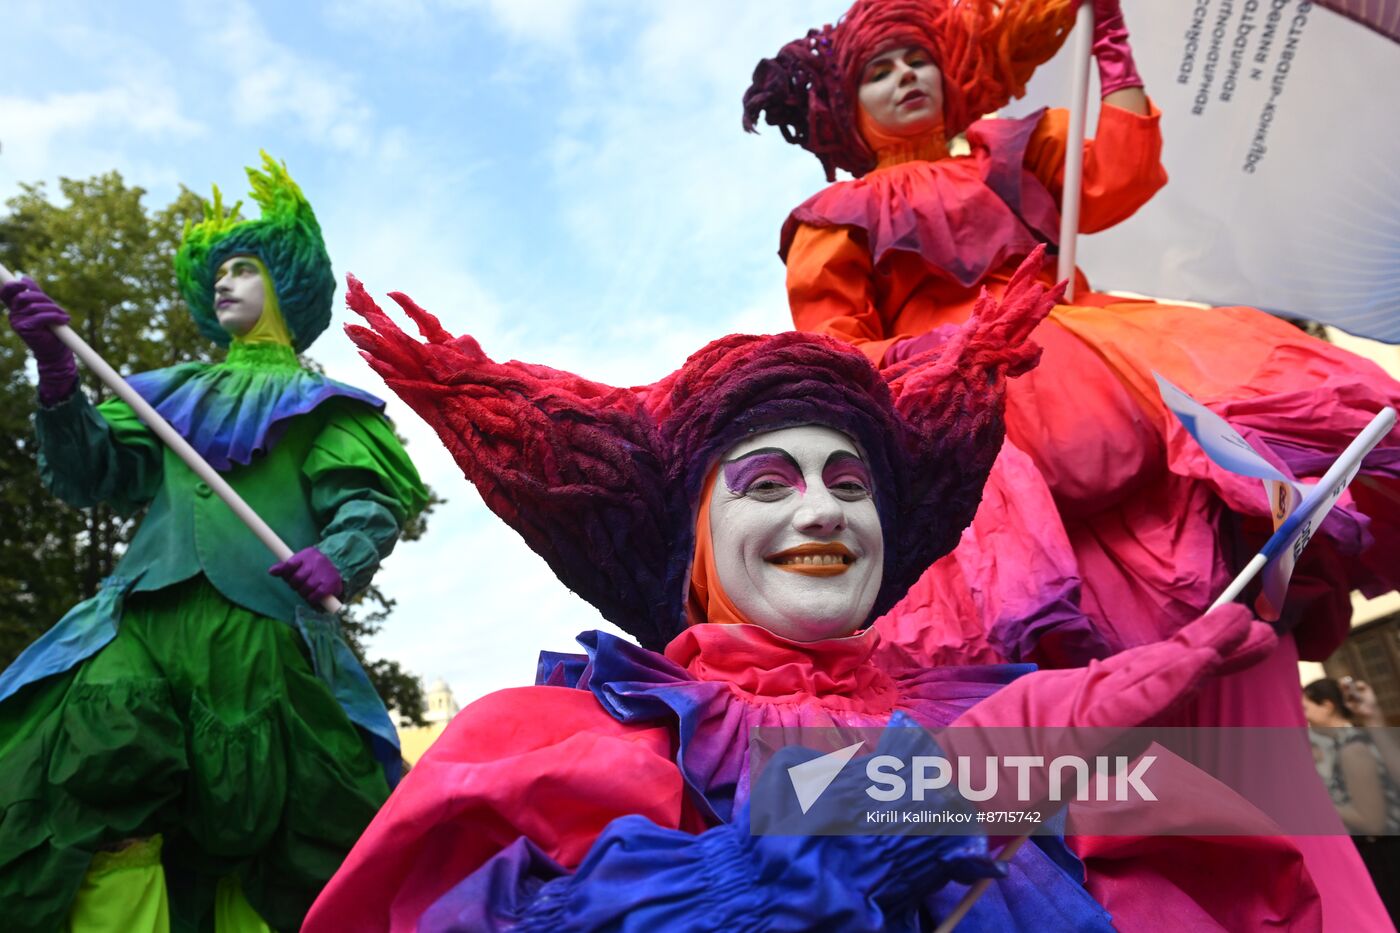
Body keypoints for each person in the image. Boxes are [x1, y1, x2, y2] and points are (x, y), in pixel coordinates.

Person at [301, 253, 1320, 931]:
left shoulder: (976, 712)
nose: (825, 512)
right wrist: (752, 879)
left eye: (849, 484)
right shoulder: (552, 745)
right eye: (766, 485)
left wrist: (1142, 701)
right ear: (693, 546)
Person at [744, 4, 1398, 922]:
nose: (905, 78)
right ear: (846, 113)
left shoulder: (1015, 148)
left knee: (1219, 638)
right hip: (972, 445)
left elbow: (1118, 170)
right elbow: (840, 353)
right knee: (1051, 697)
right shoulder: (833, 217)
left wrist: (1115, 48)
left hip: (1119, 380)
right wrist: (941, 391)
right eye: (878, 71)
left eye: (917, 58)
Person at [0, 154, 428, 932]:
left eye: (244, 268)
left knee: (265, 823)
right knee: (100, 771)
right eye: (218, 272)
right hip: (138, 621)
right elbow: (89, 468)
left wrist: (340, 554)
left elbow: (367, 501)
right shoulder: (163, 392)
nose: (225, 282)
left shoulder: (326, 405)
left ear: (284, 284)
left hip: (260, 635)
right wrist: (58, 373)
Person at [1303, 678, 1400, 923]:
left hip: (1382, 859)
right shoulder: (1345, 744)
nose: (1303, 719)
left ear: (1326, 706)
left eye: (1305, 709)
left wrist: (1316, 801)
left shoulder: (1352, 749)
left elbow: (1372, 822)